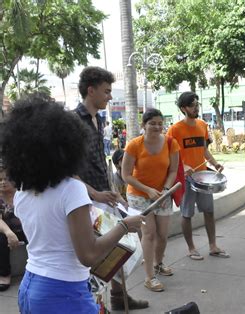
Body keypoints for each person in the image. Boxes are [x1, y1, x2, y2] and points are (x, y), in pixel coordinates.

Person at [0, 95, 143, 313]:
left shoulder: (23, 192)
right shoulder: (71, 189)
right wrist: (124, 227)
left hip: (30, 286)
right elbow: (88, 256)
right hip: (63, 292)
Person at [73, 66, 148, 310]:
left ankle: (119, 297)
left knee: (120, 249)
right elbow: (66, 169)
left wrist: (112, 192)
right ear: (90, 90)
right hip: (83, 200)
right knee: (98, 258)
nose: (110, 96)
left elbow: (98, 161)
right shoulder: (73, 122)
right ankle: (101, 303)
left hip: (102, 195)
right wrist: (94, 193)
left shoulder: (100, 119)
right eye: (106, 91)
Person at [167, 91, 229, 260]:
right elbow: (171, 154)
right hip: (186, 178)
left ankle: (213, 246)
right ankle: (191, 248)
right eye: (192, 105)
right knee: (187, 214)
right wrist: (183, 166)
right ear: (183, 108)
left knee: (209, 211)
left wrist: (214, 163)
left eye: (197, 104)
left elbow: (203, 149)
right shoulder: (175, 130)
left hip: (203, 176)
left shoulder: (202, 125)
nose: (196, 108)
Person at [122, 109, 179, 292]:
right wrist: (147, 190)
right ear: (143, 125)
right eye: (152, 123)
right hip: (139, 195)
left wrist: (165, 190)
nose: (156, 126)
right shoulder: (134, 145)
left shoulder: (171, 143)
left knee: (163, 235)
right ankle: (149, 277)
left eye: (160, 123)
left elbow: (172, 171)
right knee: (149, 234)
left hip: (162, 194)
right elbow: (126, 175)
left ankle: (158, 263)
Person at [0, 166, 26, 292]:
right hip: (5, 231)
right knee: (0, 239)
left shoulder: (22, 194)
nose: (3, 182)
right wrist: (9, 232)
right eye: (0, 180)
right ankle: (4, 274)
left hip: (24, 228)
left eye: (6, 179)